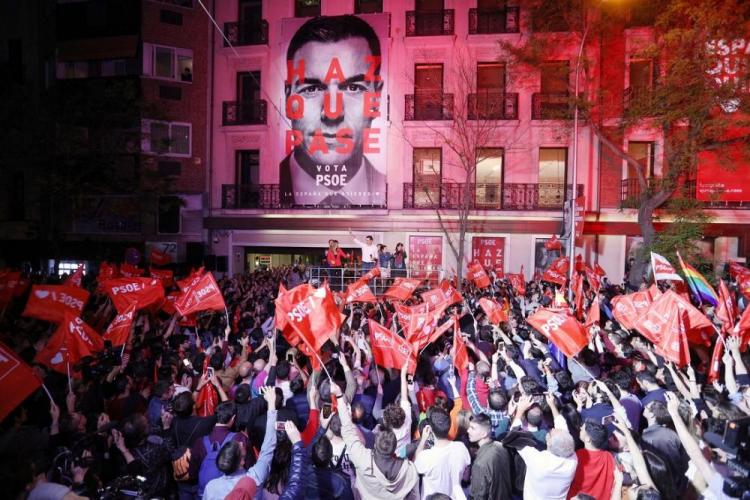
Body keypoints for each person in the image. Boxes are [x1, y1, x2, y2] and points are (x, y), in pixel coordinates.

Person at [279, 15, 386, 207]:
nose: (332, 113)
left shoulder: (385, 187)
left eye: (354, 88)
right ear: (289, 98)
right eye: (311, 89)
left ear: (376, 98)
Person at [335, 382, 419, 500]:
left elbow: (348, 432)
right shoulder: (409, 470)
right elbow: (414, 496)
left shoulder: (362, 459)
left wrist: (339, 396)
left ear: (375, 443)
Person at [202, 387, 279, 499]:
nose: (241, 443)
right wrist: (271, 405)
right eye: (240, 448)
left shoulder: (211, 488)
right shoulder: (254, 479)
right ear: (242, 462)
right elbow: (268, 446)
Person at [413, 408, 471, 499]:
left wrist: (423, 439)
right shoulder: (461, 448)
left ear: (431, 429)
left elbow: (415, 465)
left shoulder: (426, 456)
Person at [466, 413, 512, 500]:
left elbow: (479, 496)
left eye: (473, 428)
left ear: (484, 434)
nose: (468, 430)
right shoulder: (501, 446)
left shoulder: (479, 464)